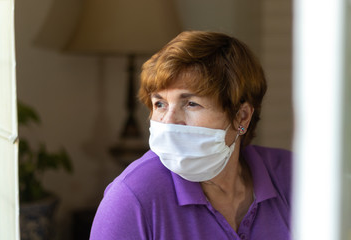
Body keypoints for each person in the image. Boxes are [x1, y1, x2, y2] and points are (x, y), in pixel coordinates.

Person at [90, 31, 292, 240]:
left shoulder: (292, 176)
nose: (168, 121)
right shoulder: (131, 197)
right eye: (160, 104)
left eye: (191, 104)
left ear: (242, 117)